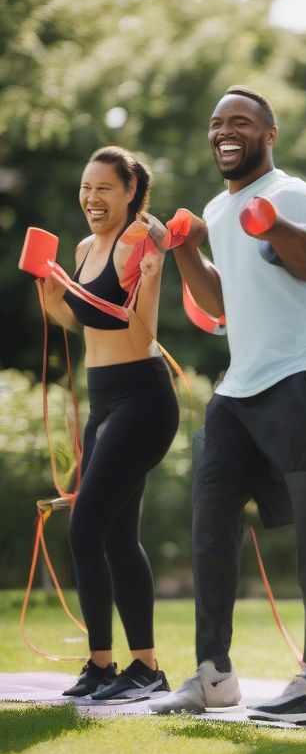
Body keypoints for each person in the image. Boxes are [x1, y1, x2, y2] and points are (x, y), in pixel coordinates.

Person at [147, 87, 306, 724]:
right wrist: (185, 247)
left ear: (269, 133)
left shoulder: (293, 194)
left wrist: (271, 224)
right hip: (240, 391)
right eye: (216, 123)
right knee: (211, 522)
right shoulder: (218, 205)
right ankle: (214, 673)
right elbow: (218, 305)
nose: (224, 132)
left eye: (239, 121)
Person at [41, 147, 178, 703]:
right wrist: (53, 299)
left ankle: (109, 665)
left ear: (129, 191)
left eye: (104, 188)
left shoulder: (141, 242)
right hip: (102, 402)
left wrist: (150, 275)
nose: (92, 198)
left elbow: (142, 334)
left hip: (143, 402)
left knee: (84, 528)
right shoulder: (83, 248)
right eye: (86, 187)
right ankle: (134, 668)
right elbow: (85, 325)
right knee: (118, 536)